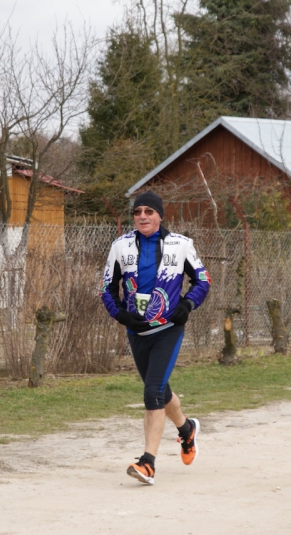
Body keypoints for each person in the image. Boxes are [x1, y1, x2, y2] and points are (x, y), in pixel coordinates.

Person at [100, 190, 211, 485]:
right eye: (137, 212)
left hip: (167, 329)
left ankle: (147, 463)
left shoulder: (180, 245)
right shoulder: (120, 246)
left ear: (160, 215)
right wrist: (120, 315)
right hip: (137, 331)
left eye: (149, 211)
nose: (142, 217)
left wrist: (187, 305)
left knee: (152, 392)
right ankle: (186, 429)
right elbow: (107, 289)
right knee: (161, 391)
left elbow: (203, 280)